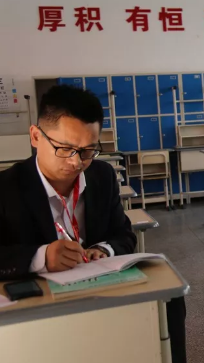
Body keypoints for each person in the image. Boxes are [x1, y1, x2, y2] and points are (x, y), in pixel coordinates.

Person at [0, 85, 187, 363]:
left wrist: (104, 249)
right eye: (65, 149)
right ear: (36, 136)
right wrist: (41, 257)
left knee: (169, 301)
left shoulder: (102, 175)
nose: (76, 162)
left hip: (99, 290)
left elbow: (124, 234)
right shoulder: (6, 188)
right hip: (40, 306)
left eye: (88, 150)